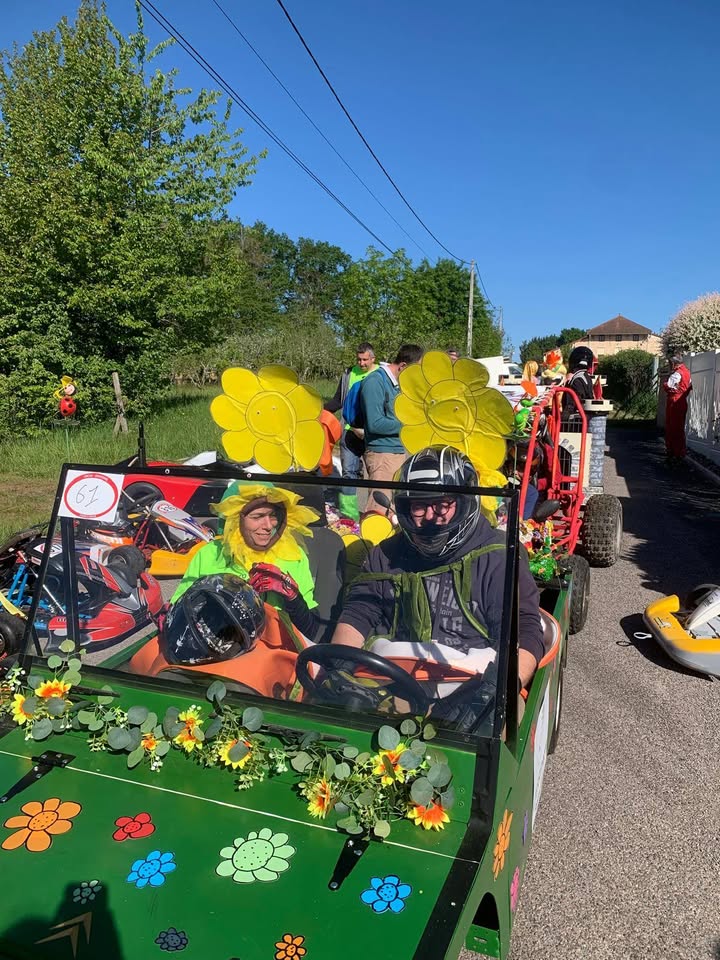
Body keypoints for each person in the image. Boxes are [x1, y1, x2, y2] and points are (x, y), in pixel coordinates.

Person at [331, 446, 544, 716]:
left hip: (473, 686)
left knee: (501, 719)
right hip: (396, 680)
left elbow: (523, 630)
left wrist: (501, 690)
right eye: (419, 506)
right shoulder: (385, 555)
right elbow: (357, 613)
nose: (431, 516)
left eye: (442, 504)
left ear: (465, 501)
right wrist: (337, 670)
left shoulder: (498, 556)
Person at [170, 485, 320, 638]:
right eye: (257, 517)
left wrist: (293, 598)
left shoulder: (293, 555)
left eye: (273, 515)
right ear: (235, 520)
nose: (268, 526)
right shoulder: (210, 553)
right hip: (219, 646)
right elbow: (178, 613)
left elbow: (311, 631)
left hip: (277, 651)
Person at [361, 343, 424, 513]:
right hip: (382, 456)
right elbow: (375, 424)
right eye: (414, 371)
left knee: (394, 511)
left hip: (397, 453)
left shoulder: (398, 385)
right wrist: (409, 424)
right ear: (403, 366)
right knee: (377, 511)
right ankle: (372, 540)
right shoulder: (374, 382)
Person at [324, 343, 378, 520]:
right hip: (349, 432)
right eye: (359, 359)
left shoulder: (380, 375)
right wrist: (318, 411)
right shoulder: (348, 374)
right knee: (348, 474)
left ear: (373, 359)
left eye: (365, 360)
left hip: (373, 434)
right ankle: (349, 517)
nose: (361, 363)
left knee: (376, 476)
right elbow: (337, 401)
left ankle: (376, 516)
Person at [663, 355, 692, 463]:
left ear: (674, 363)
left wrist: (665, 384)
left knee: (671, 426)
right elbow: (688, 386)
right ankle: (680, 451)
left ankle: (672, 450)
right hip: (682, 401)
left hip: (674, 402)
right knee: (679, 428)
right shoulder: (687, 372)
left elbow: (669, 385)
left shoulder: (676, 374)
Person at [562, 346, 595, 420]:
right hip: (584, 417)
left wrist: (563, 418)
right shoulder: (586, 377)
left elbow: (571, 404)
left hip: (575, 420)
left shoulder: (577, 379)